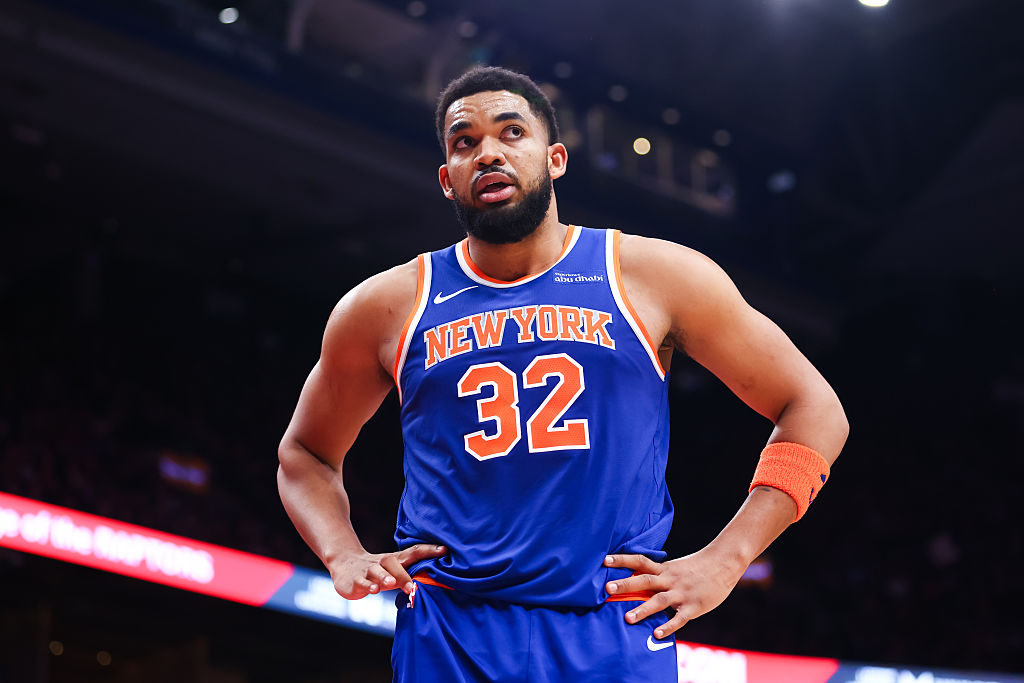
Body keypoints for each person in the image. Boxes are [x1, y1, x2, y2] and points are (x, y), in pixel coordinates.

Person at [277, 66, 848, 682]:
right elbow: (305, 453)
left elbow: (814, 408)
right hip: (448, 626)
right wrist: (341, 554)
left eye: (511, 132)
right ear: (448, 180)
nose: (487, 152)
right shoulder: (384, 306)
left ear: (555, 159)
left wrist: (726, 559)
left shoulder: (655, 275)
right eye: (464, 143)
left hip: (613, 621)